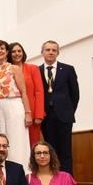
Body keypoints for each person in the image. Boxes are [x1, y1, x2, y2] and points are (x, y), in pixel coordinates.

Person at [39, 41, 79, 176]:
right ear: (42, 52)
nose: (50, 52)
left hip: (64, 116)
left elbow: (75, 94)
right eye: (48, 50)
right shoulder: (37, 71)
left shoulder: (68, 69)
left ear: (58, 52)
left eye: (54, 50)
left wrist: (68, 111)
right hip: (46, 116)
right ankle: (53, 178)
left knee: (65, 149)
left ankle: (67, 179)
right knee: (50, 149)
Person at [0, 40, 32, 171]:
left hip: (14, 104)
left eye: (2, 48)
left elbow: (24, 91)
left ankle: (22, 171)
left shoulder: (14, 68)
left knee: (17, 139)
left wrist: (28, 113)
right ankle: (4, 172)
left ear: (7, 52)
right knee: (1, 137)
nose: (0, 51)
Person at [10, 42, 45, 147]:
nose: (17, 54)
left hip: (32, 113)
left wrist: (39, 114)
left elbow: (39, 92)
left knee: (33, 144)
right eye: (13, 51)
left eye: (19, 51)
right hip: (13, 112)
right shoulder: (6, 70)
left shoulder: (33, 68)